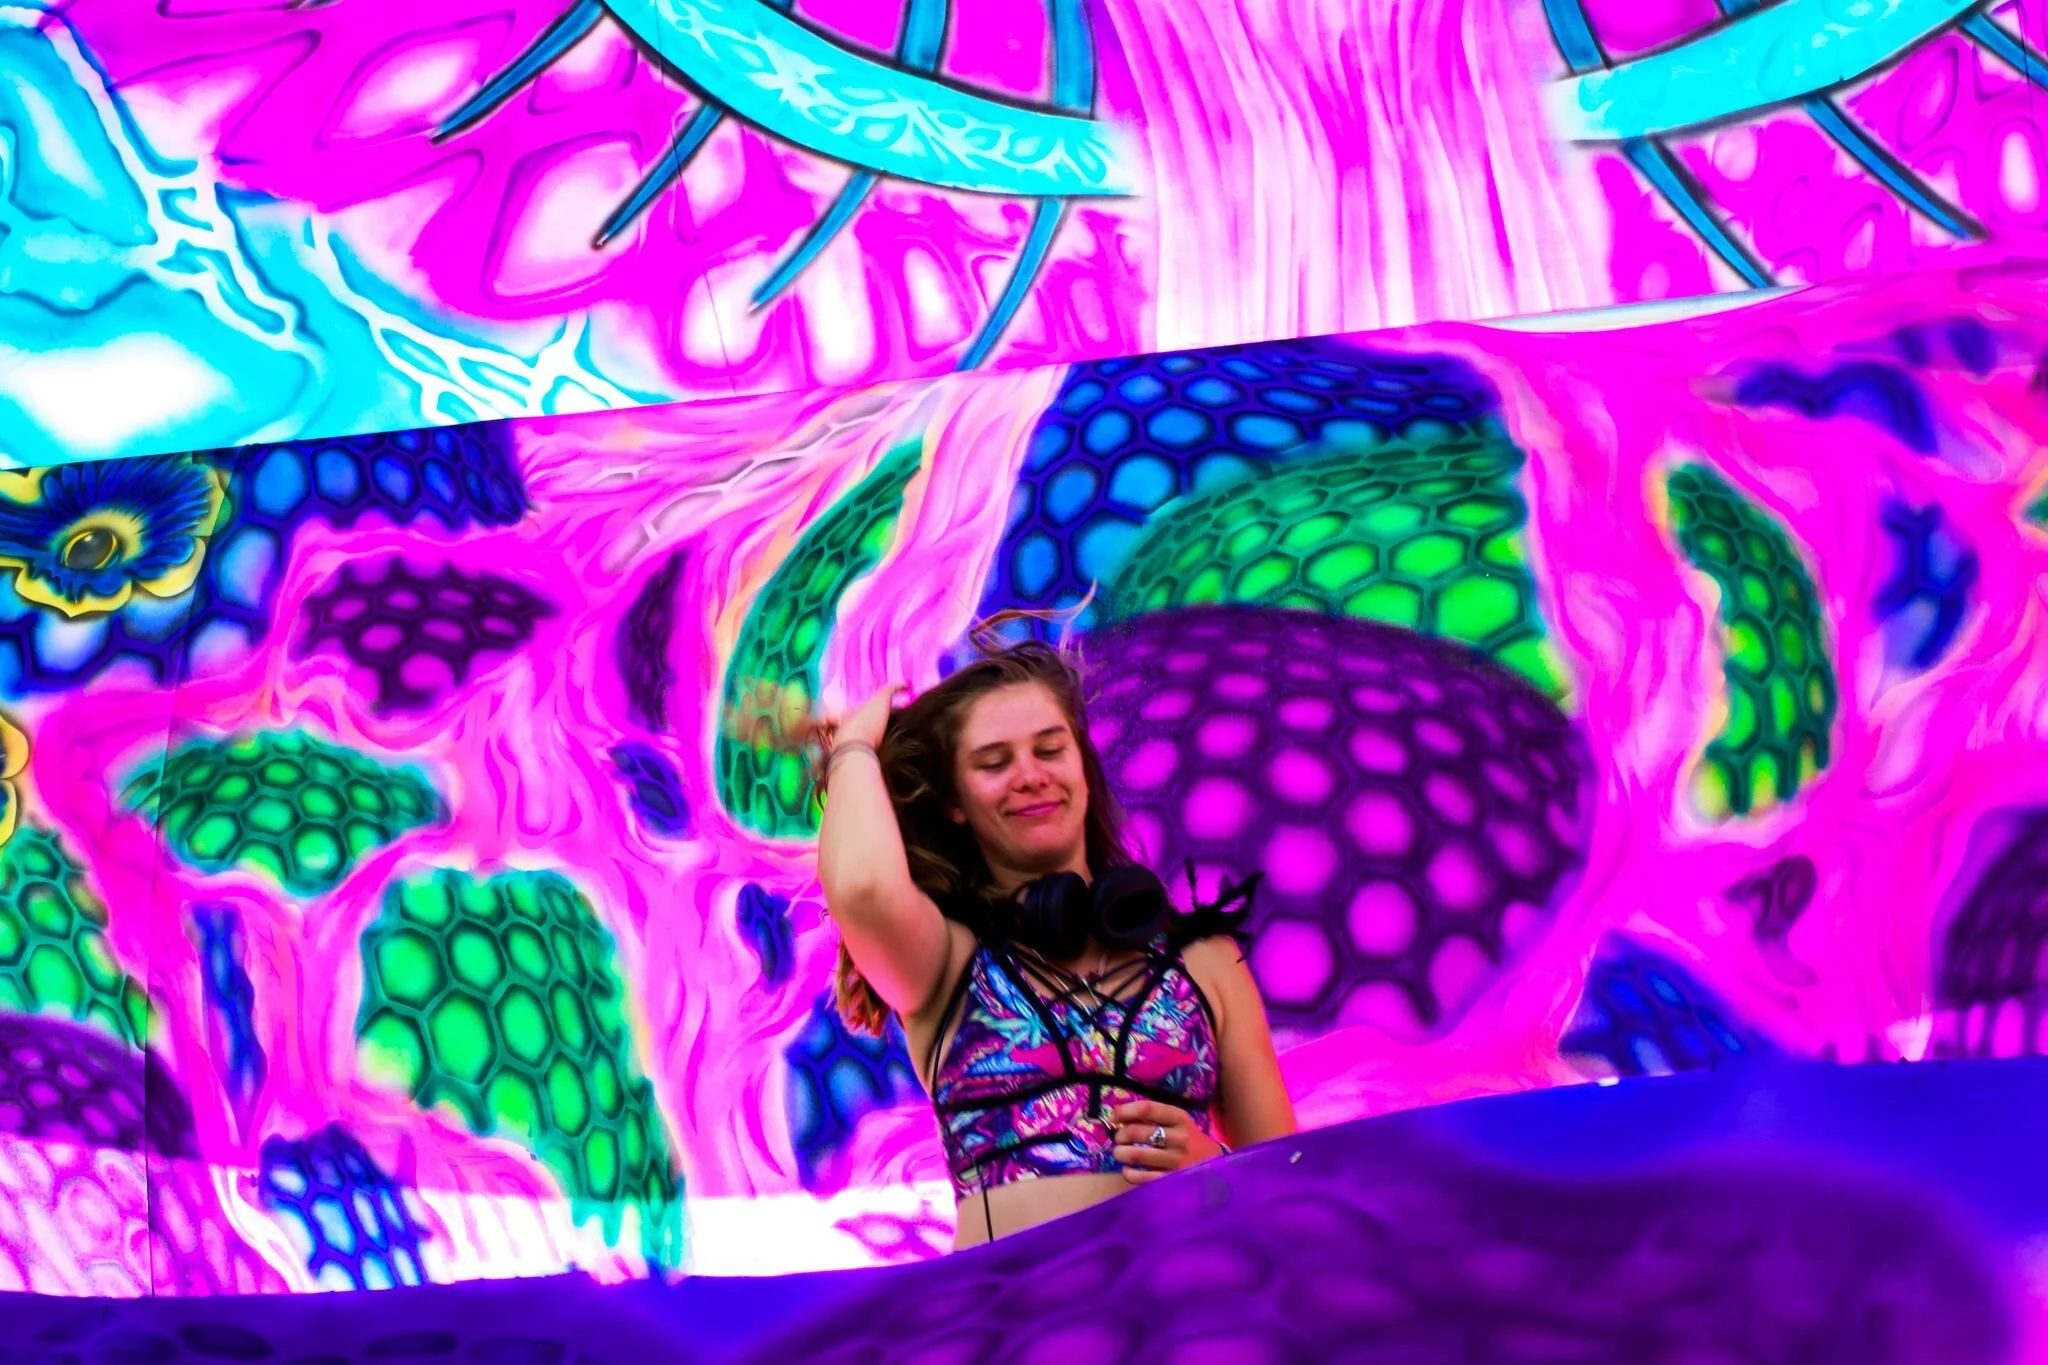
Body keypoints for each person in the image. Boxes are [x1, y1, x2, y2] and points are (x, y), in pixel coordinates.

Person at [814, 626, 1297, 1248]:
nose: (1030, 776)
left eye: (1050, 750)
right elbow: (863, 889)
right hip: (1012, 1308)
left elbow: (1290, 1188)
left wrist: (1215, 1165)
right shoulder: (944, 962)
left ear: (1084, 769)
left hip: (1194, 1296)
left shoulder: (1205, 962)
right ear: (956, 802)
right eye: (994, 763)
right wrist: (854, 749)